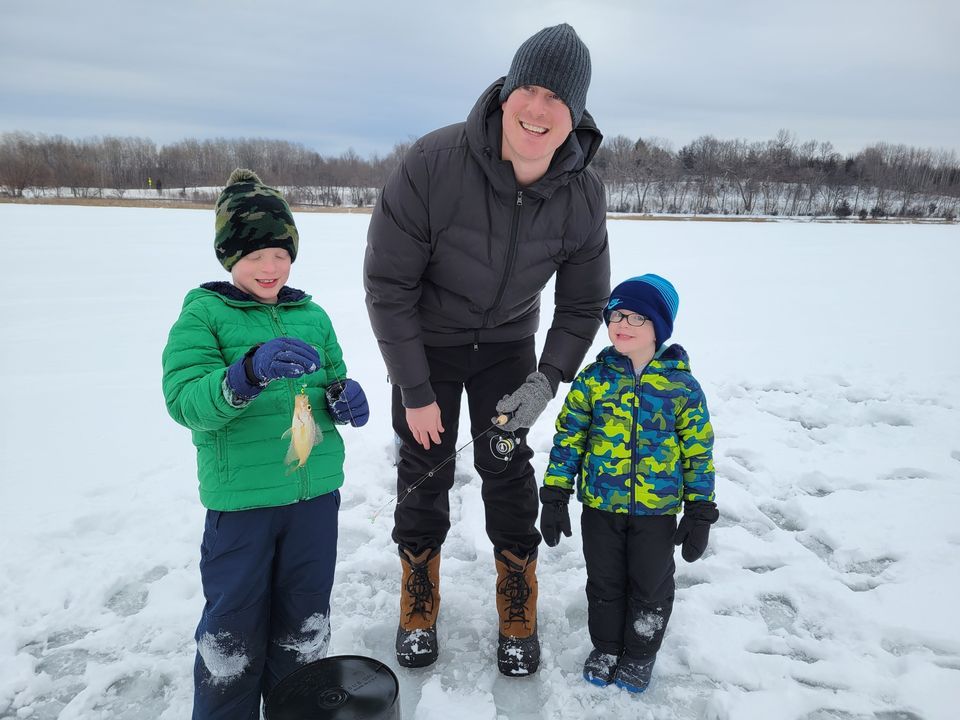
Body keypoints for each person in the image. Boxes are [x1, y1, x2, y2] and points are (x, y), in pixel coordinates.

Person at [364, 23, 610, 676]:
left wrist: (545, 380)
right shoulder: (433, 163)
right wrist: (414, 391)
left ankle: (516, 593)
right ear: (506, 92)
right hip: (429, 343)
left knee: (506, 463)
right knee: (423, 469)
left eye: (557, 98)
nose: (538, 109)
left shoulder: (582, 194)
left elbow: (583, 305)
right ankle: (419, 597)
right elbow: (388, 286)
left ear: (576, 113)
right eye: (528, 88)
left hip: (507, 345)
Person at [162, 168, 369, 719]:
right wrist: (243, 374)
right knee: (232, 635)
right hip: (243, 507)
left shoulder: (314, 315)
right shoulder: (204, 315)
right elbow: (185, 402)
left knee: (305, 627)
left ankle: (296, 709)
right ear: (229, 258)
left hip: (314, 501)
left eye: (280, 253)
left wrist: (344, 400)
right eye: (254, 256)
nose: (270, 267)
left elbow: (332, 382)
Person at [539, 274, 718, 693]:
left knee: (650, 586)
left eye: (637, 317)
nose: (622, 323)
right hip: (601, 507)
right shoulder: (593, 380)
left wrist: (700, 510)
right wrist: (555, 494)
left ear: (659, 326)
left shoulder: (681, 388)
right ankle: (605, 647)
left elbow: (698, 452)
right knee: (604, 582)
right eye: (616, 314)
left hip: (656, 512)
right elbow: (569, 440)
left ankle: (639, 653)